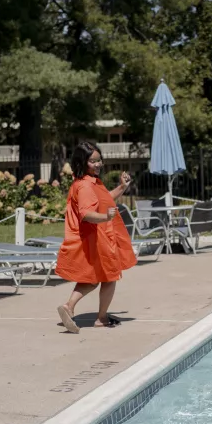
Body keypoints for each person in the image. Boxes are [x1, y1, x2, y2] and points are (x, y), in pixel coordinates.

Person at [55, 141, 137, 333]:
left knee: (93, 277)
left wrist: (121, 187)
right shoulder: (84, 186)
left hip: (97, 237)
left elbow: (103, 199)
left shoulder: (88, 182)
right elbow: (86, 213)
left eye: (99, 160)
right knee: (109, 277)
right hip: (97, 238)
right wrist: (105, 217)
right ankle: (100, 317)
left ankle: (70, 307)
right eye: (93, 161)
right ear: (82, 162)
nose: (98, 164)